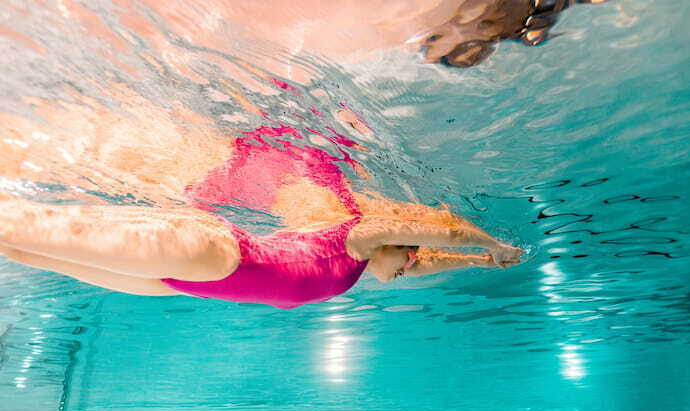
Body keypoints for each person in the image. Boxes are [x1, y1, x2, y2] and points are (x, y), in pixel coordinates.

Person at [0, 121, 522, 309]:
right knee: (13, 225)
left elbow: (426, 258)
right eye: (409, 262)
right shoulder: (354, 237)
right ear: (397, 247)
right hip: (207, 252)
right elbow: (439, 230)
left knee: (17, 247)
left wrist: (477, 262)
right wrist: (491, 243)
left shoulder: (364, 268)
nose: (412, 268)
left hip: (174, 282)